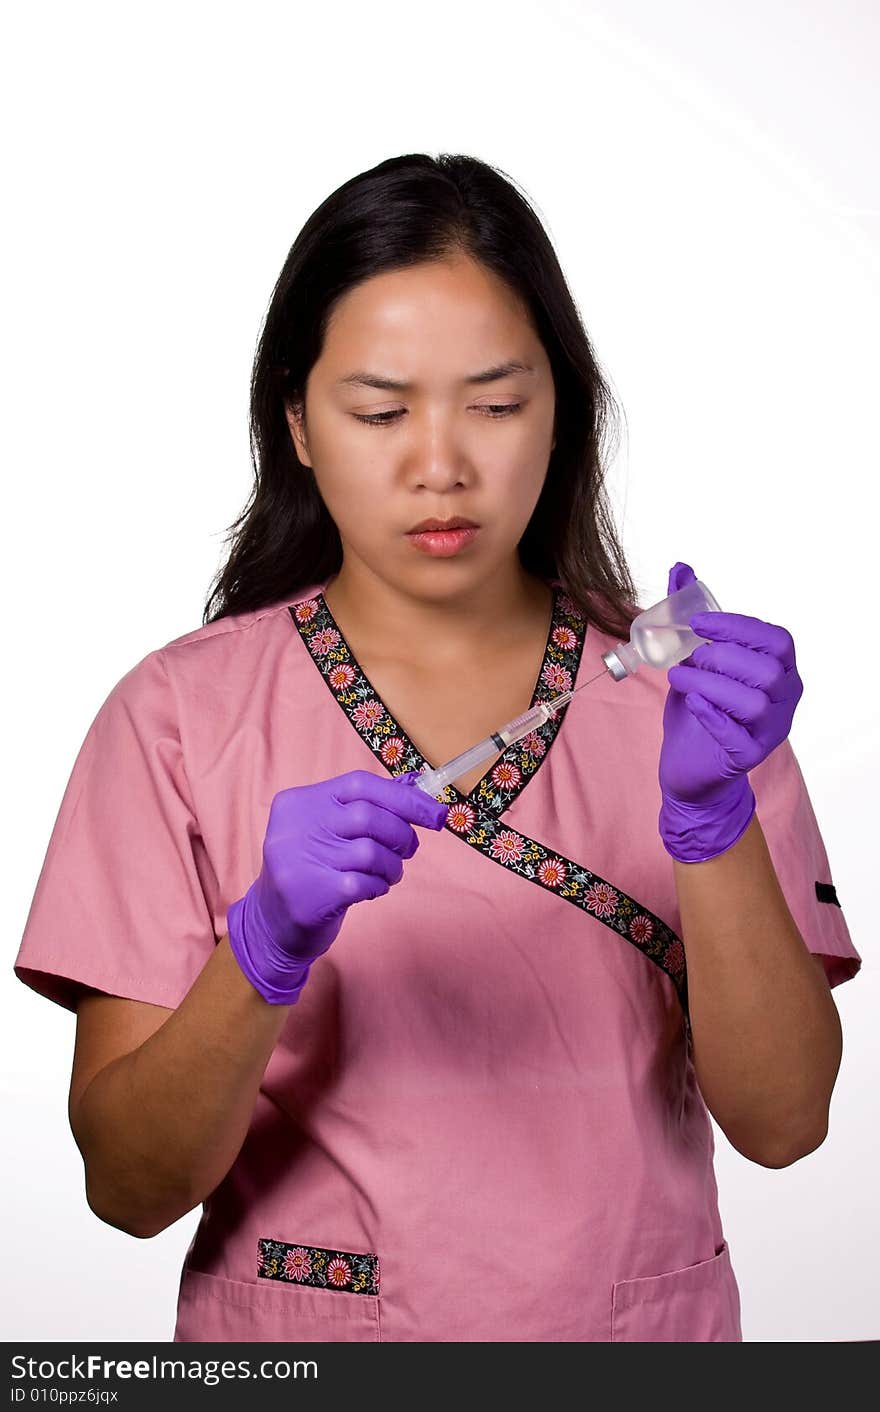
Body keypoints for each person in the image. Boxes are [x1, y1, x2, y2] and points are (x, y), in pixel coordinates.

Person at [13, 153, 861, 1343]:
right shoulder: (176, 719)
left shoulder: (701, 710)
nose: (440, 464)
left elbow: (784, 1126)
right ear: (297, 423)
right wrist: (259, 952)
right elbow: (130, 1187)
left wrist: (713, 827)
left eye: (498, 404)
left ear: (560, 411)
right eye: (379, 409)